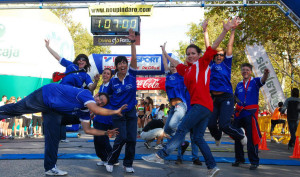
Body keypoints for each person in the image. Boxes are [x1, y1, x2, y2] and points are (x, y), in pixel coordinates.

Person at [142, 18, 236, 177]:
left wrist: (225, 30)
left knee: (182, 129)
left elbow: (212, 47)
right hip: (202, 107)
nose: (190, 56)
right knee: (198, 138)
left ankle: (161, 156)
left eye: (193, 53)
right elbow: (174, 61)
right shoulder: (186, 70)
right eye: (188, 54)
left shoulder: (203, 63)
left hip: (202, 105)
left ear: (199, 55)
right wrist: (164, 53)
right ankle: (212, 167)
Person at [0, 83, 125, 176]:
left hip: (54, 111)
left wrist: (105, 132)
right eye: (99, 99)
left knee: (53, 138)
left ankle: (50, 168)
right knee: (16, 109)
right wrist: (115, 111)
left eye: (102, 104)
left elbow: (88, 130)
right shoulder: (86, 94)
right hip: (46, 95)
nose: (99, 103)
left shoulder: (85, 112)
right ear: (96, 95)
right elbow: (96, 110)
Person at [201, 18, 247, 147]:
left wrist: (232, 30)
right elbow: (208, 47)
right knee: (210, 124)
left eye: (221, 55)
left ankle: (240, 134)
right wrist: (205, 31)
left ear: (224, 56)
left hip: (226, 97)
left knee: (224, 125)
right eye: (217, 55)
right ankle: (217, 136)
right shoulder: (210, 64)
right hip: (214, 98)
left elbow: (229, 46)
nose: (219, 56)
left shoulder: (227, 64)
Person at [45, 39, 100, 143]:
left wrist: (96, 81)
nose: (81, 60)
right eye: (79, 59)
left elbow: (91, 87)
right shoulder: (70, 65)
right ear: (77, 60)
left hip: (70, 96)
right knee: (55, 112)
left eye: (83, 59)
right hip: (60, 91)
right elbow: (57, 56)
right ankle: (54, 135)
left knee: (64, 115)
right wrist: (48, 46)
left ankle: (63, 136)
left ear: (86, 63)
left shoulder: (85, 75)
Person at [105, 29, 137, 173]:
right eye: (120, 63)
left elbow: (134, 58)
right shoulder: (112, 82)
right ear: (116, 66)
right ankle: (111, 160)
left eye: (125, 62)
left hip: (131, 112)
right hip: (117, 113)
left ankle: (128, 164)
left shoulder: (132, 76)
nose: (123, 65)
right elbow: (106, 97)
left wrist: (132, 42)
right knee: (122, 138)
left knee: (131, 139)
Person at [232, 63, 269, 170]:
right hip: (239, 114)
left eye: (247, 70)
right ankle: (239, 159)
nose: (245, 71)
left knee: (252, 138)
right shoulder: (239, 84)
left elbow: (263, 79)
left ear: (250, 72)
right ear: (241, 71)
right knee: (238, 137)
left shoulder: (255, 81)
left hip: (250, 114)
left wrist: (266, 74)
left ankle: (254, 161)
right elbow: (235, 98)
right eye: (243, 70)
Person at [161, 43, 190, 165]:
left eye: (175, 65)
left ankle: (179, 156)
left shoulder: (182, 75)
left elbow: (185, 63)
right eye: (171, 65)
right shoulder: (168, 76)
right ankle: (183, 143)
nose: (173, 67)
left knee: (173, 125)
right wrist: (163, 51)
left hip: (181, 105)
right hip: (172, 107)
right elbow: (164, 63)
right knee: (167, 129)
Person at [92, 68, 116, 166]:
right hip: (98, 117)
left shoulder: (112, 86)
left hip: (106, 118)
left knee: (103, 139)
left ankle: (113, 159)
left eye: (108, 74)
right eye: (104, 73)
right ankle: (104, 158)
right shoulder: (101, 86)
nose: (105, 75)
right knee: (97, 140)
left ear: (111, 76)